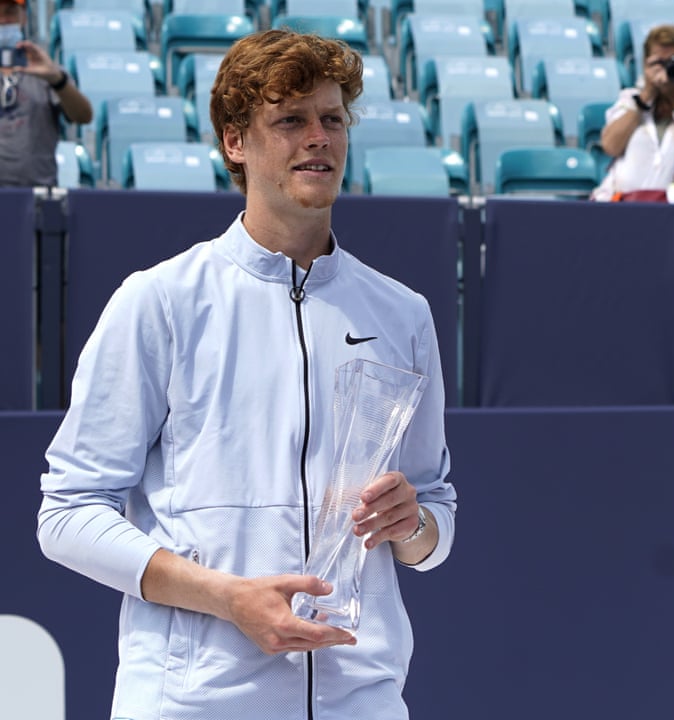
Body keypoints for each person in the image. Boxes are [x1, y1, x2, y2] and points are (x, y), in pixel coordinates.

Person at [36, 29, 456, 719]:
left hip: (365, 699)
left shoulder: (403, 313)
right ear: (236, 141)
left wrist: (415, 526)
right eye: (290, 120)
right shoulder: (161, 301)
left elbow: (434, 516)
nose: (317, 138)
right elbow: (68, 514)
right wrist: (228, 599)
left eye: (331, 119)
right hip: (192, 702)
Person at [591, 23, 674, 204]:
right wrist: (646, 96)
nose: (667, 70)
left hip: (668, 213)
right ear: (646, 65)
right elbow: (610, 146)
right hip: (619, 205)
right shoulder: (630, 100)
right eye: (659, 63)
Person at [0, 0, 92, 187]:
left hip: (37, 197)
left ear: (23, 17)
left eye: (10, 12)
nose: (2, 20)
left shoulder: (47, 71)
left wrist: (57, 80)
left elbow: (83, 116)